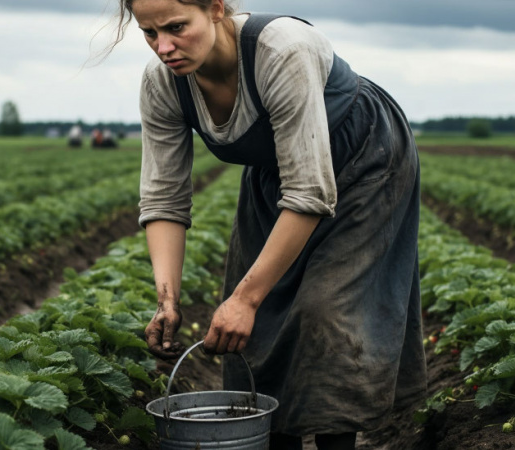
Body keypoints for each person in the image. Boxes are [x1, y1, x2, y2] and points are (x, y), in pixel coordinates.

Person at [115, 0, 427, 448]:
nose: (164, 47)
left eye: (177, 27)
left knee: (327, 310)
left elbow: (309, 194)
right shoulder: (164, 83)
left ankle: (336, 440)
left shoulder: (280, 51)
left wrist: (245, 297)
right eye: (149, 33)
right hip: (275, 173)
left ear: (216, 9)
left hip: (365, 161)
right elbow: (165, 199)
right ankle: (269, 438)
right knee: (261, 324)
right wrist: (167, 299)